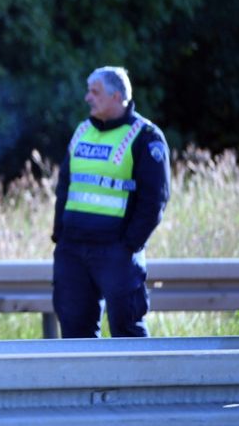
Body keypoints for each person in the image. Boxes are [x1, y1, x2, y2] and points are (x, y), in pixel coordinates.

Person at [52, 66, 171, 338]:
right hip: (73, 250)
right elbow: (64, 186)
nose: (87, 98)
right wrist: (60, 234)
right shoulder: (83, 131)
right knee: (74, 332)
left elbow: (155, 198)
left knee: (127, 330)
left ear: (117, 96)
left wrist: (129, 244)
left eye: (95, 92)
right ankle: (84, 383)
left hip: (116, 251)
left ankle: (137, 382)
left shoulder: (146, 137)